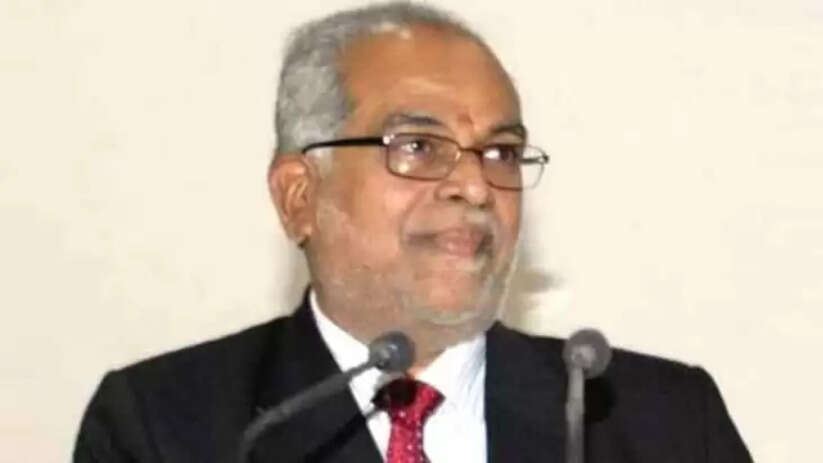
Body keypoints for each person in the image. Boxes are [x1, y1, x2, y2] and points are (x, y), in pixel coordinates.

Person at [73, 3, 752, 462]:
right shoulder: (168, 428)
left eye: (501, 152)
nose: (475, 186)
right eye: (419, 146)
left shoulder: (658, 423)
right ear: (299, 196)